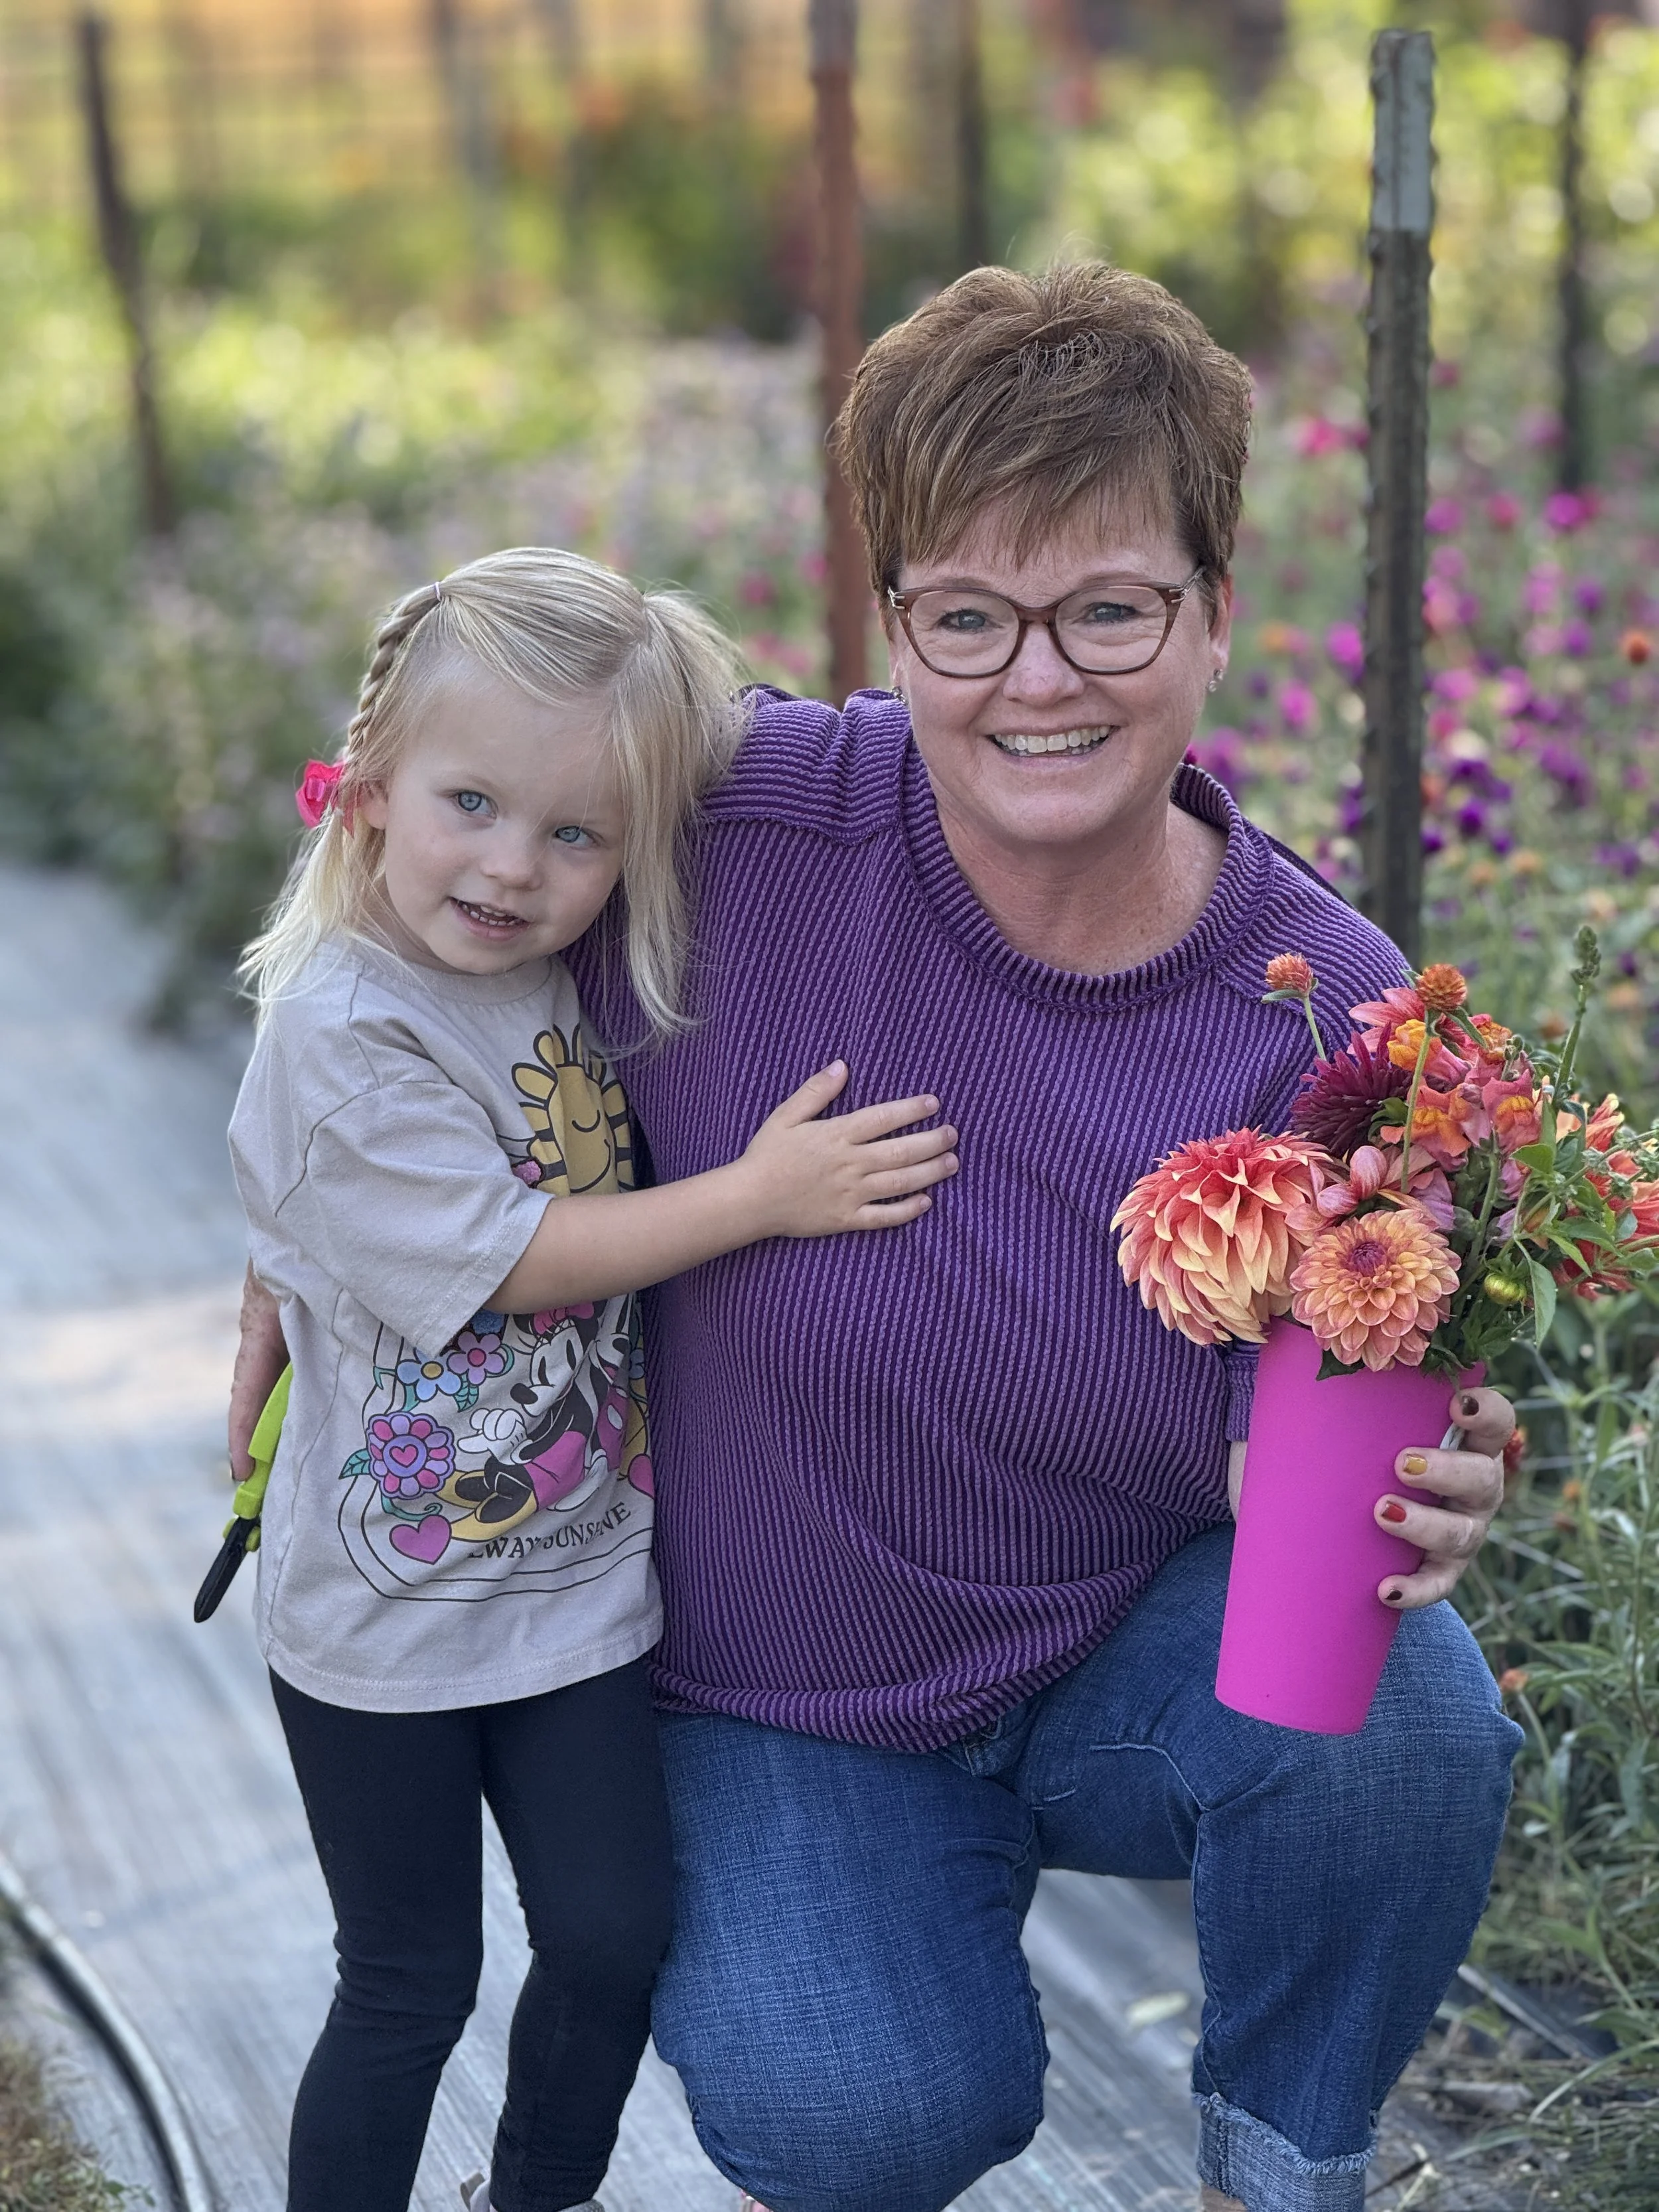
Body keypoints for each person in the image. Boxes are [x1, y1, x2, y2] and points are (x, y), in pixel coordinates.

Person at [232, 269, 1520, 2212]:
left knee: (1407, 1714)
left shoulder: (1318, 1007)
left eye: (1107, 607)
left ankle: (1278, 2170)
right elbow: (420, 871)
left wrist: (1447, 1462)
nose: (1037, 679)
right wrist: (304, 1228)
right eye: (966, 615)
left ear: (1213, 615)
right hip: (775, 1695)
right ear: (889, 621)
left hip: (1112, 1647)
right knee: (859, 2113)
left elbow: (1383, 1359)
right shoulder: (732, 817)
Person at [224, 546, 959, 2212]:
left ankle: (533, 2195)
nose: (511, 866)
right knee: (408, 1981)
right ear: (364, 791)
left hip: (574, 1593)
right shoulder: (341, 1030)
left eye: (574, 833)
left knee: (614, 1934)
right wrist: (760, 1197)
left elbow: (741, 747)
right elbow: (515, 1252)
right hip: (390, 1620)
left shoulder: (548, 971)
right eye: (470, 803)